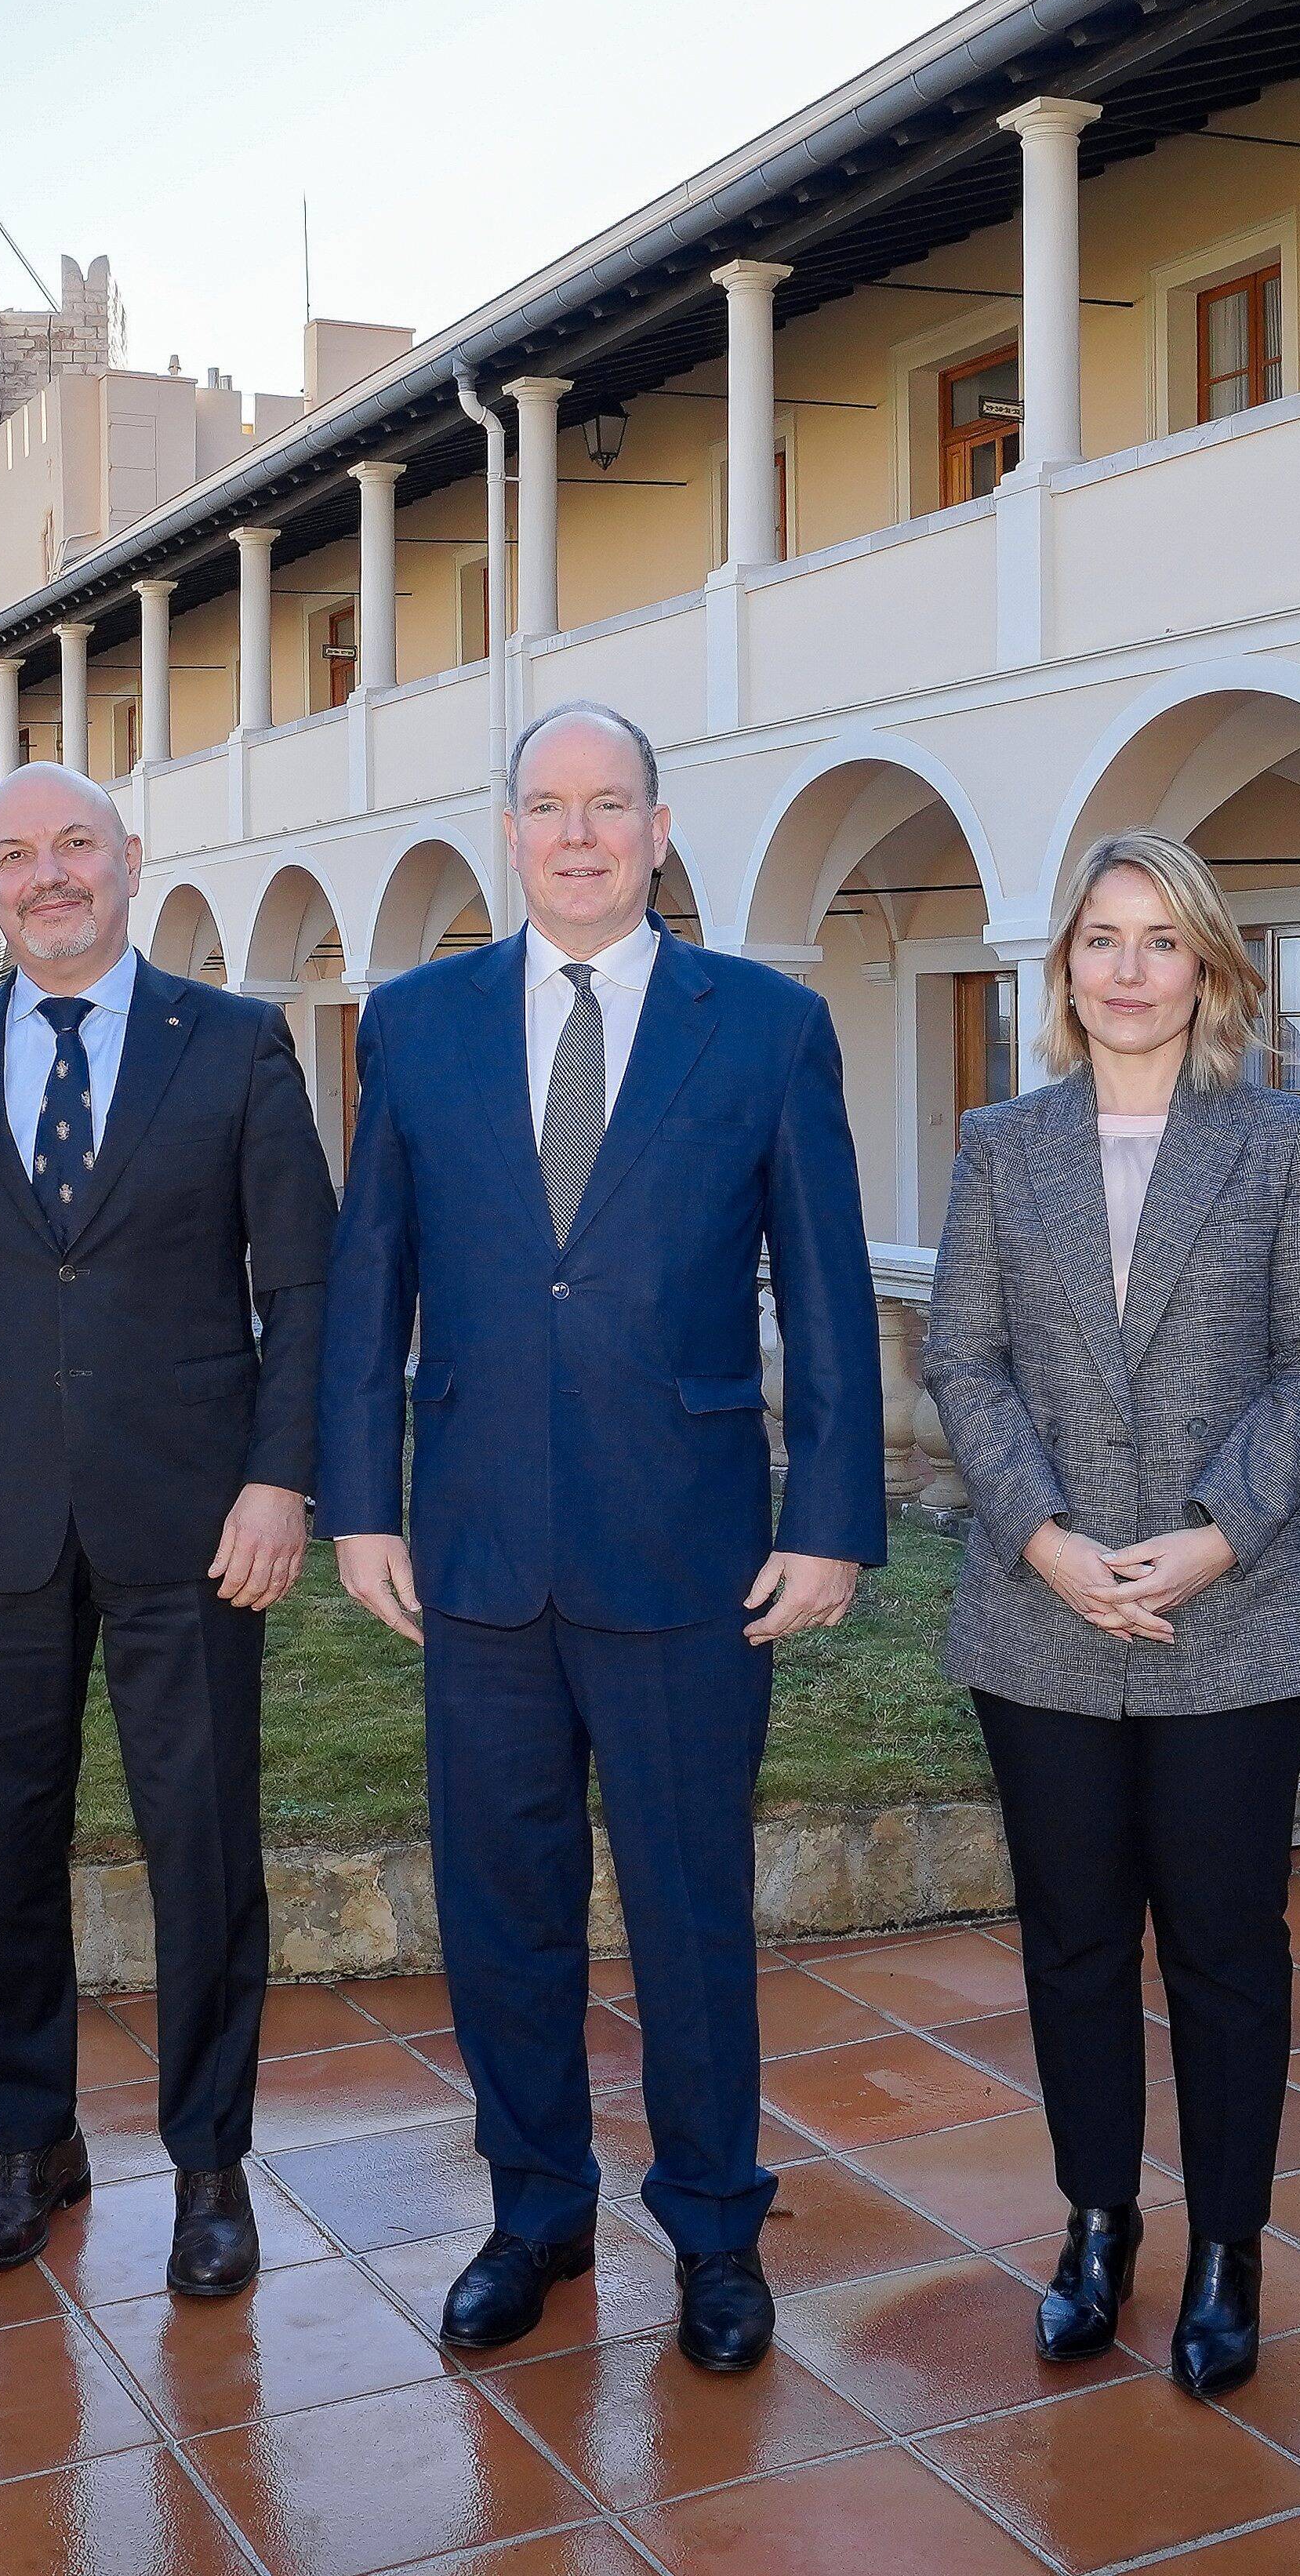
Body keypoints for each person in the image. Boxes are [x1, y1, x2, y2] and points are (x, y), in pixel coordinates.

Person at [321, 699, 883, 2378]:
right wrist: (362, 1500)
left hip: (688, 1552)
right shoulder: (412, 1027)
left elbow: (830, 1293)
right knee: (504, 1909)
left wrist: (833, 1520)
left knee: (692, 1910)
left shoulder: (767, 1027)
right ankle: (535, 2210)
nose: (578, 833)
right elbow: (372, 1281)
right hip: (480, 1548)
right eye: (548, 806)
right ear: (512, 832)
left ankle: (715, 2225)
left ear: (657, 826)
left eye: (609, 804)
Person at [0, 763, 336, 2300]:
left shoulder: (238, 1043)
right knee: (9, 1841)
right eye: (15, 855)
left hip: (196, 1519)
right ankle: (32, 2140)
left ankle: (207, 2162)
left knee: (201, 1841)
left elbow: (305, 1291)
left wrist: (280, 1480)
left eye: (75, 846)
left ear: (130, 860)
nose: (47, 875)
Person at [917, 831, 1300, 2397]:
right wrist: (1040, 1534)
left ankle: (1228, 2245)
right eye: (1100, 938)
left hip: (1228, 1618)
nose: (1126, 968)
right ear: (1065, 969)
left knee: (1230, 1946)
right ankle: (1097, 2221)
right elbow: (960, 1357)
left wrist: (1214, 1536)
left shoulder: (1282, 1141)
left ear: (1209, 969)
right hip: (1040, 1614)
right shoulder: (999, 1144)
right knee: (1076, 1939)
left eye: (1159, 941)